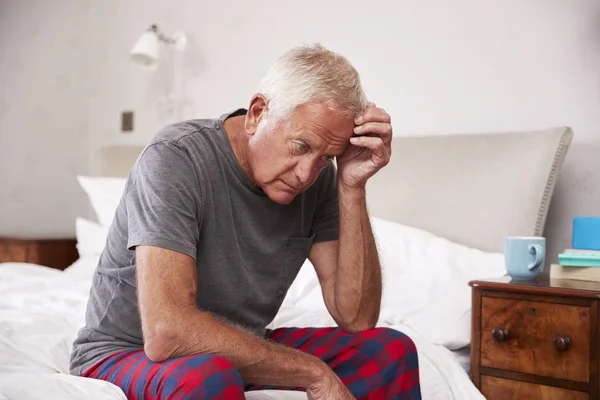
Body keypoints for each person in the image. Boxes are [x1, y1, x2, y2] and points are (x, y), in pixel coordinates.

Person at [70, 43, 421, 400]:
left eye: (326, 157)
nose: (306, 174)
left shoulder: (321, 179)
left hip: (232, 348)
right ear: (257, 113)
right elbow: (167, 331)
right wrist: (313, 373)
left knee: (390, 352)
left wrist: (352, 186)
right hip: (127, 350)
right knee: (207, 378)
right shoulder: (176, 158)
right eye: (300, 146)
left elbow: (357, 319)